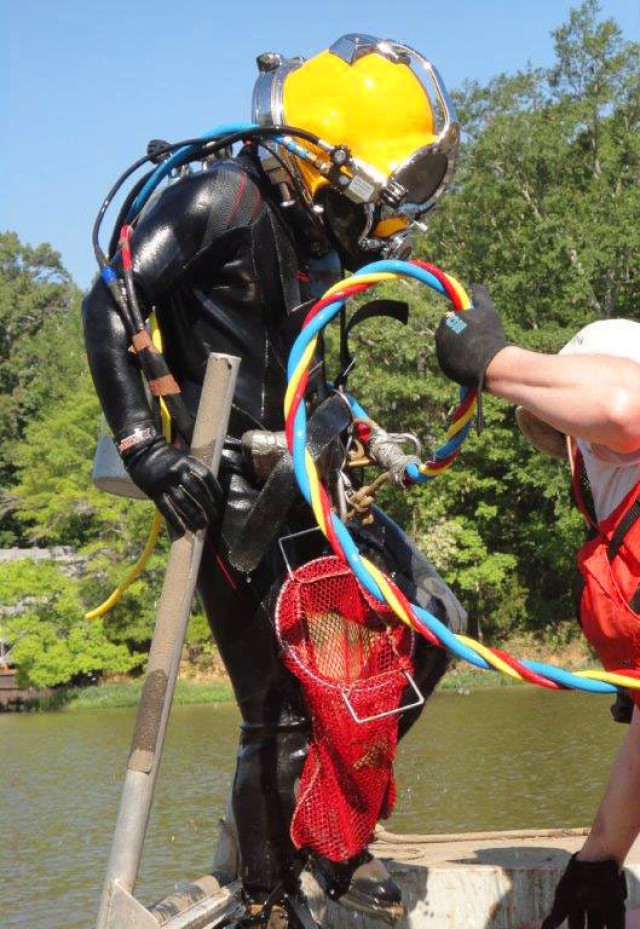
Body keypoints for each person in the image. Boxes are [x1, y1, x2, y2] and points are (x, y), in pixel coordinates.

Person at [83, 34, 467, 925]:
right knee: (279, 709)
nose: (389, 225)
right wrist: (146, 447)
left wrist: (364, 429)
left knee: (437, 626)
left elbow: (299, 362)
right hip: (227, 487)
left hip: (310, 473)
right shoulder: (222, 195)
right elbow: (109, 301)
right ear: (339, 166)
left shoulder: (319, 232)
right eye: (389, 199)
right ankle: (270, 893)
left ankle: (322, 842)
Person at [435, 288, 640, 928]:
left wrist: (492, 361)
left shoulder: (622, 413)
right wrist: (601, 859)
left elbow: (621, 404)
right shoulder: (614, 513)